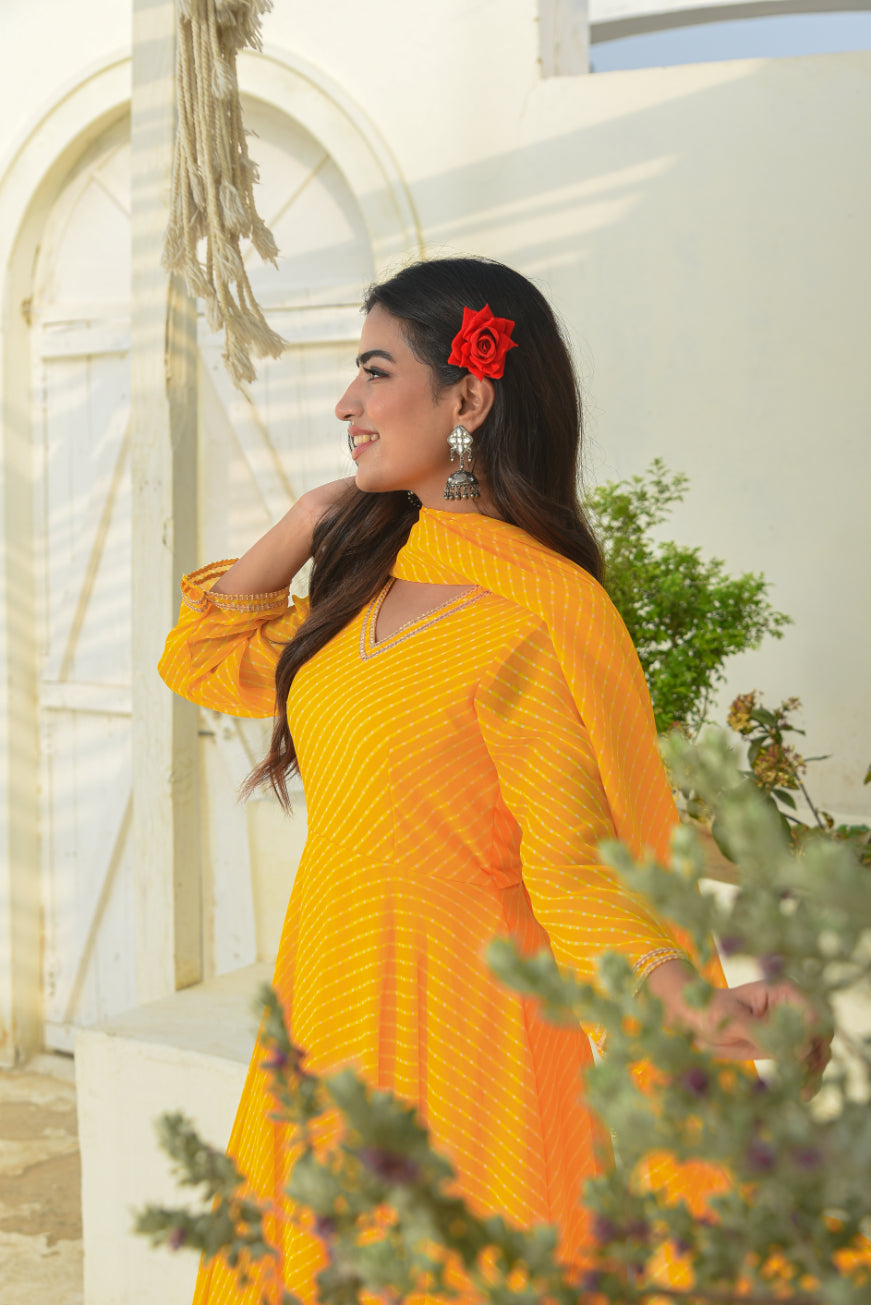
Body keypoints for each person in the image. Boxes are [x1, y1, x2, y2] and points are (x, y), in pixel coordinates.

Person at [158, 256, 827, 1305]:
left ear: (468, 397)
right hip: (326, 997)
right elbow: (205, 658)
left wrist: (691, 1008)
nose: (347, 402)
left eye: (375, 373)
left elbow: (576, 869)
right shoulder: (370, 577)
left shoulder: (538, 612)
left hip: (459, 1028)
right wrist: (307, 520)